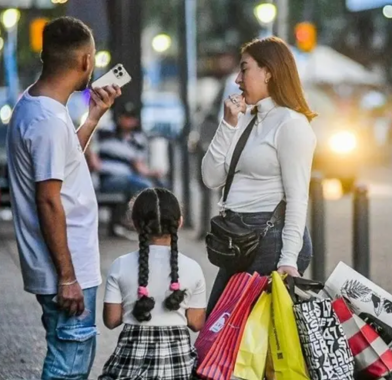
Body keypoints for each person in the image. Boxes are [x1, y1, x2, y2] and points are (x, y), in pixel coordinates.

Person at [6, 17, 121, 379]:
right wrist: (68, 277)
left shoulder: (36, 106)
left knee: (71, 357)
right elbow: (48, 200)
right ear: (86, 61)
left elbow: (64, 162)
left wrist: (93, 117)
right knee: (68, 365)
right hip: (65, 268)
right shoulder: (48, 122)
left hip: (62, 265)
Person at [201, 36, 317, 315]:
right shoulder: (248, 119)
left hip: (270, 238)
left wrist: (288, 259)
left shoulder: (291, 124)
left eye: (244, 69)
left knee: (232, 334)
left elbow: (298, 197)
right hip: (237, 239)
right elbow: (211, 177)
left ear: (268, 72)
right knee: (220, 329)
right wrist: (228, 125)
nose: (238, 79)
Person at [99, 188, 206, 380]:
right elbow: (197, 323)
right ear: (179, 222)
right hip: (177, 368)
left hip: (129, 366)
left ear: (135, 223)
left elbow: (111, 320)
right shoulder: (193, 268)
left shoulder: (120, 265)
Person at [89, 101, 168, 237]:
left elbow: (139, 166)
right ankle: (132, 219)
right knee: (142, 185)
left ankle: (148, 220)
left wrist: (153, 173)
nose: (127, 121)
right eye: (125, 117)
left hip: (128, 178)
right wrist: (93, 160)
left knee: (154, 185)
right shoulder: (105, 132)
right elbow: (90, 146)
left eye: (130, 117)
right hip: (108, 178)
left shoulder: (137, 140)